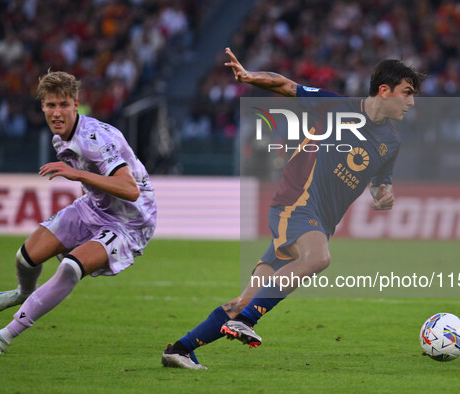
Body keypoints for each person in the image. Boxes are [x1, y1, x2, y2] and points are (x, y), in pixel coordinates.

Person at [161, 48, 425, 369]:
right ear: (384, 90)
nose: (412, 102)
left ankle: (180, 349)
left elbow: (381, 182)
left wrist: (383, 195)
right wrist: (248, 77)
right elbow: (286, 86)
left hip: (319, 221)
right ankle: (248, 321)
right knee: (318, 258)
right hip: (296, 201)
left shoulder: (391, 142)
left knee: (246, 298)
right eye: (407, 93)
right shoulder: (337, 107)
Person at [0, 71, 157, 355]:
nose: (56, 113)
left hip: (130, 221)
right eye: (50, 105)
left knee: (71, 267)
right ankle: (24, 293)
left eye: (63, 105)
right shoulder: (60, 139)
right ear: (42, 107)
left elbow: (129, 188)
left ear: (76, 104)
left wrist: (76, 174)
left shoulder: (97, 138)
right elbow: (91, 180)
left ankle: (3, 337)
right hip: (95, 206)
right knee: (25, 258)